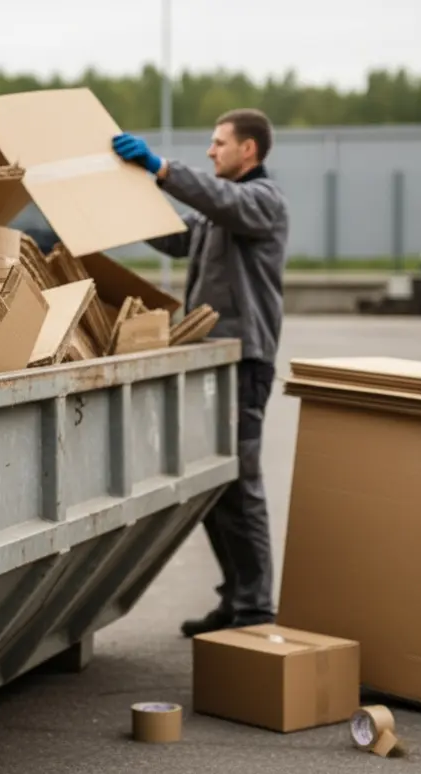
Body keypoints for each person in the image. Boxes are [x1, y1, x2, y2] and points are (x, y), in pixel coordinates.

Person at [111, 108, 289, 637]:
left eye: (219, 143)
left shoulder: (262, 202)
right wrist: (125, 197)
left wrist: (162, 167)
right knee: (214, 486)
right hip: (211, 361)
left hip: (245, 362)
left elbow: (221, 200)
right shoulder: (217, 212)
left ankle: (256, 608)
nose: (211, 151)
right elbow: (174, 236)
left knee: (242, 485)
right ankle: (236, 599)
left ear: (248, 150)